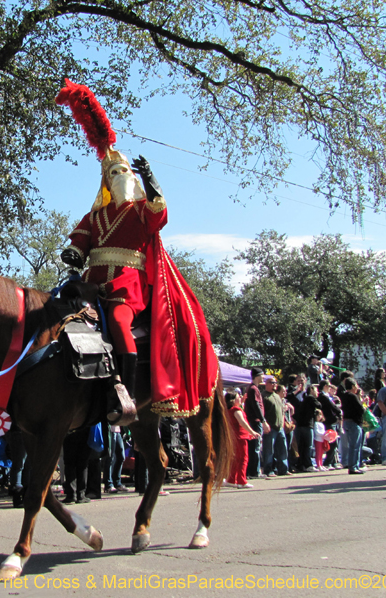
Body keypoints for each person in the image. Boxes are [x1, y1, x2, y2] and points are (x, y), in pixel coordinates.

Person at [57, 80, 218, 425]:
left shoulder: (140, 210)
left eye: (123, 171)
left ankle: (126, 393)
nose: (118, 177)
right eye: (112, 173)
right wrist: (72, 254)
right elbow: (80, 241)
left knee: (117, 321)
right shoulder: (95, 214)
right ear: (104, 180)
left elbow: (159, 214)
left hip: (127, 287)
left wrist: (152, 182)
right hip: (91, 282)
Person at [225, 391, 260, 489]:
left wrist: (243, 401)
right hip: (240, 437)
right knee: (243, 459)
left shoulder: (229, 410)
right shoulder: (236, 410)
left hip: (234, 437)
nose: (240, 398)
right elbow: (242, 422)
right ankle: (241, 480)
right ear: (233, 400)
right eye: (238, 397)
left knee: (236, 459)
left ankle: (231, 479)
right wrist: (252, 432)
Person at [260, 377, 289, 477]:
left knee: (283, 449)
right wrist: (264, 424)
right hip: (270, 426)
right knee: (269, 450)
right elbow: (261, 412)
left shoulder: (276, 396)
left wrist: (283, 422)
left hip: (280, 427)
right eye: (272, 383)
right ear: (266, 384)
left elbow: (281, 410)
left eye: (275, 383)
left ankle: (283, 469)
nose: (274, 384)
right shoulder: (263, 396)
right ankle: (268, 470)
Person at [244, 368, 269, 479]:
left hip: (255, 421)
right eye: (262, 375)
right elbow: (256, 406)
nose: (263, 377)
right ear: (257, 376)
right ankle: (254, 472)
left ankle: (253, 471)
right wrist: (263, 421)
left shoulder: (253, 388)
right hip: (255, 421)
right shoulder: (253, 389)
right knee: (256, 447)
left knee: (255, 446)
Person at [340, 378, 365, 475]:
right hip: (354, 422)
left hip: (346, 421)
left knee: (352, 445)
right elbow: (361, 409)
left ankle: (354, 465)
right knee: (355, 446)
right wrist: (361, 399)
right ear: (353, 386)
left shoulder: (344, 396)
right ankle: (353, 466)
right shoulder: (353, 396)